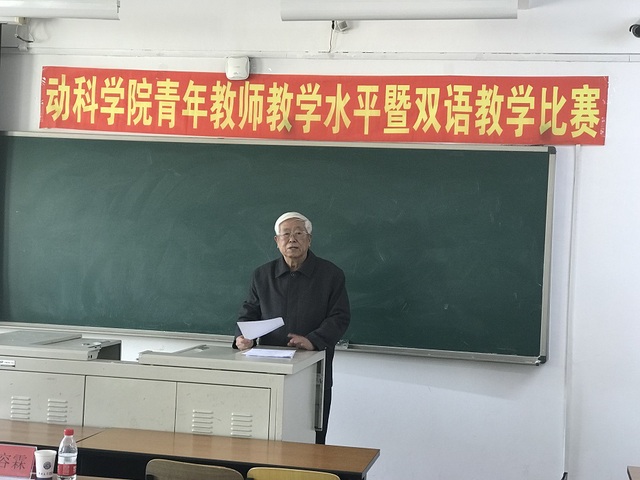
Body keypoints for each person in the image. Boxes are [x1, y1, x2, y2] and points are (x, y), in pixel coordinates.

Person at [234, 211, 350, 444]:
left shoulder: (331, 275)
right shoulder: (262, 275)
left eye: (299, 233)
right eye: (285, 234)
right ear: (277, 241)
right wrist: (242, 338)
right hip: (268, 368)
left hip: (313, 366)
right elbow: (249, 313)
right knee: (266, 432)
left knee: (309, 431)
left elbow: (340, 316)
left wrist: (313, 340)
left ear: (309, 239)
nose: (292, 239)